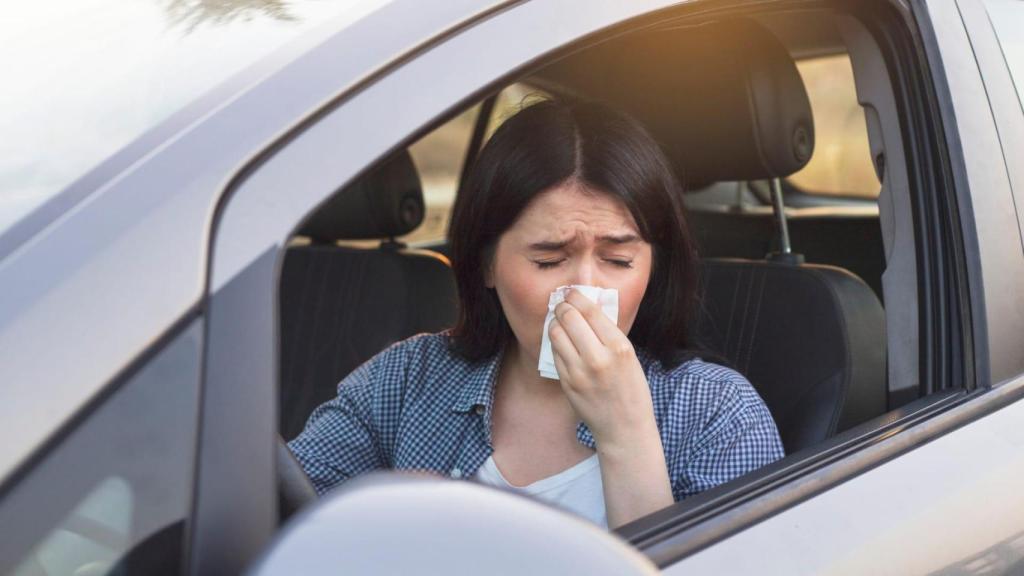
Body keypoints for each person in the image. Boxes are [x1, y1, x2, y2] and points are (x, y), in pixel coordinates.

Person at [288, 97, 783, 529]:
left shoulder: (718, 415)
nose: (585, 290)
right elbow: (277, 514)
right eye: (548, 260)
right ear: (486, 263)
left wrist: (626, 433)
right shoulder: (404, 382)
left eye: (618, 260)